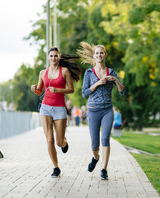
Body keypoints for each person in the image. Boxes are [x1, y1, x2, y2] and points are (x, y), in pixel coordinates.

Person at [31, 47, 81, 178]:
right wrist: (34, 89)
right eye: (51, 56)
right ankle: (56, 167)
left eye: (55, 56)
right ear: (48, 58)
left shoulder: (65, 71)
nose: (53, 58)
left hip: (59, 109)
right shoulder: (42, 73)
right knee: (49, 139)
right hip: (45, 108)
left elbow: (71, 89)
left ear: (59, 57)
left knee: (58, 142)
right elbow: (39, 91)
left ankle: (64, 141)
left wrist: (58, 90)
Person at [79, 42, 125, 180]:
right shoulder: (88, 73)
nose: (99, 55)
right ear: (94, 55)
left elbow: (122, 91)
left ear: (105, 55)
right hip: (93, 110)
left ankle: (104, 170)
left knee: (105, 139)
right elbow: (84, 93)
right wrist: (98, 83)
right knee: (94, 144)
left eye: (101, 53)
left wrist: (116, 80)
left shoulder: (111, 72)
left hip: (107, 110)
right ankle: (95, 157)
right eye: (97, 53)